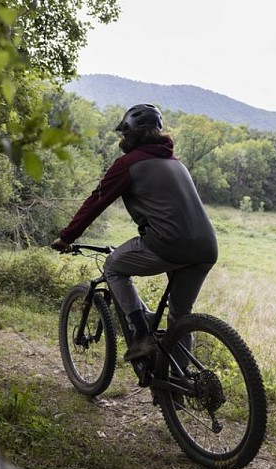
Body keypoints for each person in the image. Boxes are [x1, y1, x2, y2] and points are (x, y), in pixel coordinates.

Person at [52, 103, 218, 363]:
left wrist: (67, 237)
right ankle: (177, 390)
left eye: (124, 134)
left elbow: (96, 201)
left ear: (130, 132)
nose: (122, 139)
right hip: (206, 247)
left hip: (167, 244)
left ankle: (141, 334)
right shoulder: (177, 164)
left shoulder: (128, 163)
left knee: (113, 266)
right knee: (180, 318)